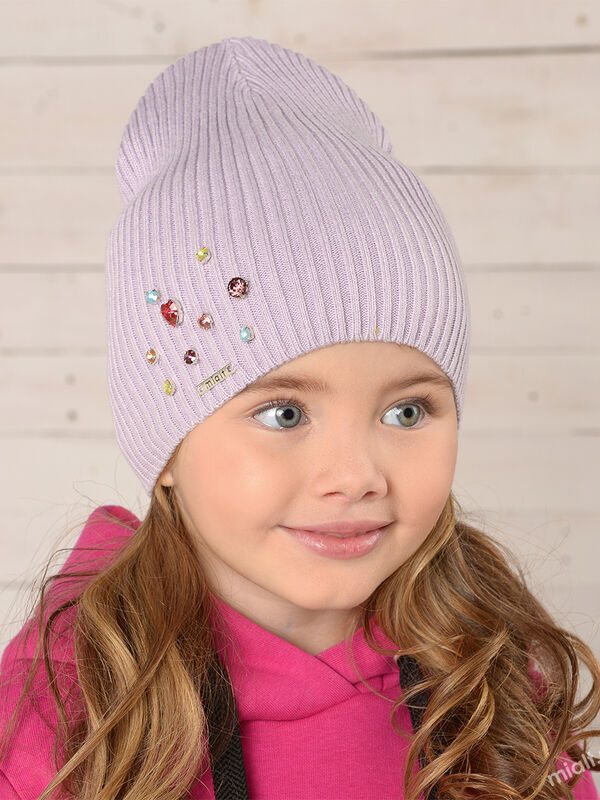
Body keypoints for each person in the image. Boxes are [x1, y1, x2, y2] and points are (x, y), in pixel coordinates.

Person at [0, 34, 598, 800]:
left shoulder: (492, 677)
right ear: (168, 445)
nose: (354, 476)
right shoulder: (72, 713)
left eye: (407, 410)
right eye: (284, 413)